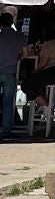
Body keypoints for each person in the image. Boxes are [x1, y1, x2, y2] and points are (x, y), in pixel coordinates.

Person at [0, 10, 22, 140]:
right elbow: (25, 54)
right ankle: (6, 131)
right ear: (12, 22)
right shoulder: (19, 36)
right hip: (10, 71)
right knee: (8, 103)